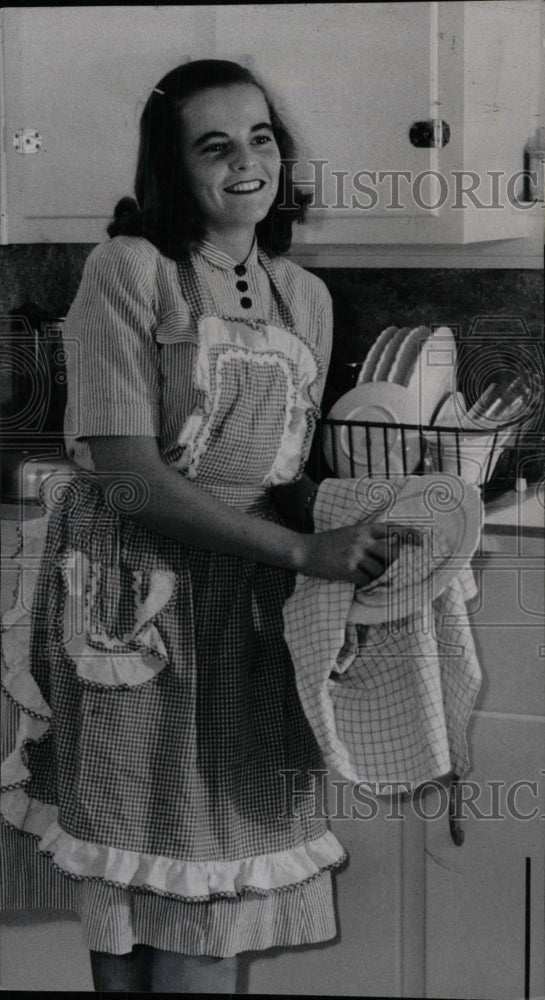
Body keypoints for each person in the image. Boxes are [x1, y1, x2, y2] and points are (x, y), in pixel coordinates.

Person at [0, 60, 396, 993]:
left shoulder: (305, 296)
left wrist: (354, 520)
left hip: (244, 614)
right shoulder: (130, 271)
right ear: (173, 168)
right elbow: (128, 476)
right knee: (140, 874)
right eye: (213, 145)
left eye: (261, 137)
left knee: (211, 885)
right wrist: (302, 549)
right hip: (134, 600)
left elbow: (279, 472)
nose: (246, 161)